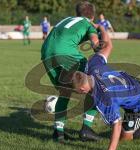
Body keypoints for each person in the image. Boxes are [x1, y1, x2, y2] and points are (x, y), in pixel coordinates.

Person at [72, 24, 140, 150]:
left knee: (126, 137)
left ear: (82, 88)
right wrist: (101, 28)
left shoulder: (105, 98)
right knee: (98, 101)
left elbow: (116, 124)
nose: (80, 94)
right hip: (130, 86)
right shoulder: (93, 66)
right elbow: (108, 46)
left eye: (78, 92)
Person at [41, 1, 102, 142]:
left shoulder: (68, 19)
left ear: (78, 13)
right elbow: (95, 43)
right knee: (96, 84)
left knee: (65, 90)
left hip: (46, 52)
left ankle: (58, 132)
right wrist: (101, 45)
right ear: (92, 16)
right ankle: (86, 128)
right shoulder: (88, 24)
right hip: (65, 53)